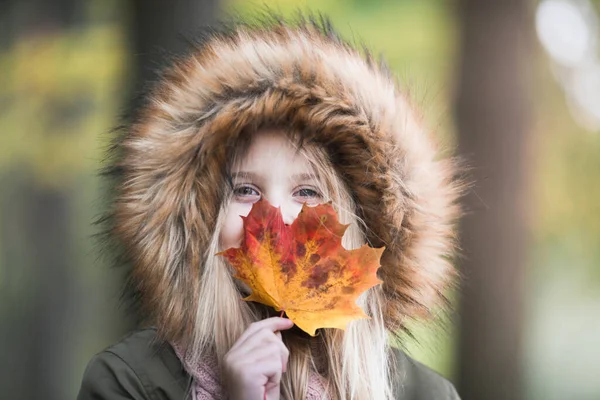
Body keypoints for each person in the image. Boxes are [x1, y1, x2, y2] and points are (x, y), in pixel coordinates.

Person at [77, 13, 463, 400]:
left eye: (308, 193)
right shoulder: (128, 381)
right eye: (244, 190)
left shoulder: (424, 393)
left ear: (356, 225)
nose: (274, 216)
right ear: (201, 222)